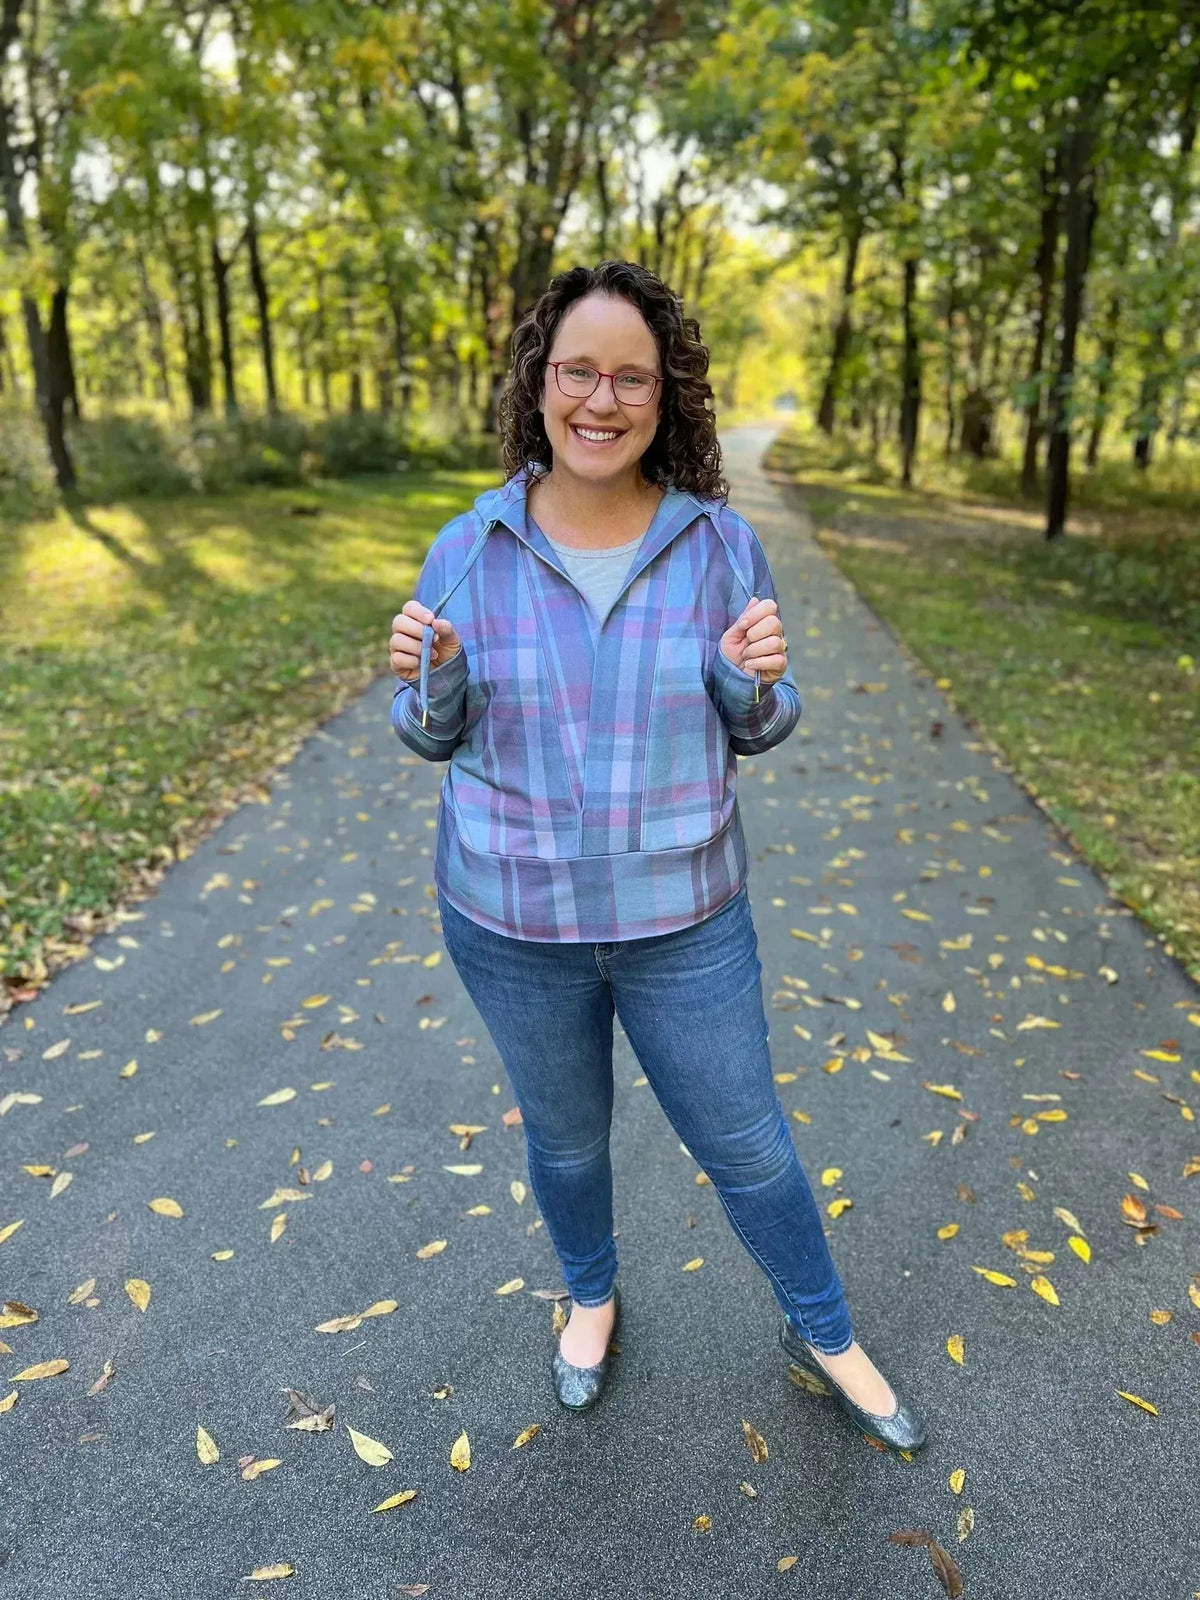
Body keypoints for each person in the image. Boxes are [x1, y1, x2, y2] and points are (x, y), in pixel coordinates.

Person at [387, 260, 927, 1453]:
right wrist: (438, 685)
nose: (601, 397)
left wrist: (752, 685)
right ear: (539, 383)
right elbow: (428, 732)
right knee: (565, 1137)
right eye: (578, 369)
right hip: (510, 921)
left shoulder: (721, 547)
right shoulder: (468, 547)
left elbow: (762, 722)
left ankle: (822, 1328)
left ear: (664, 397)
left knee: (748, 1143)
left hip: (685, 920)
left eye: (632, 377)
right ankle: (591, 1295)